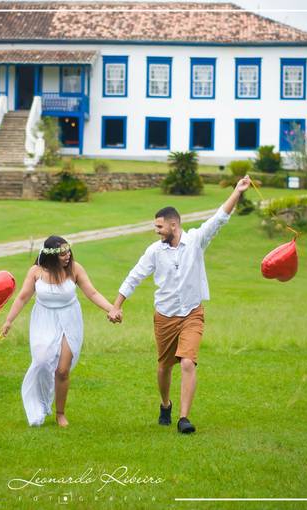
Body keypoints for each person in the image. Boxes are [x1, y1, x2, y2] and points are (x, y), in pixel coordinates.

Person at [108, 175, 252, 434]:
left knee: (187, 362)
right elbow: (134, 276)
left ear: (173, 225)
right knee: (164, 367)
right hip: (164, 316)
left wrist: (238, 191)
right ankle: (166, 404)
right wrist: (117, 305)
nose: (156, 230)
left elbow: (219, 217)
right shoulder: (155, 251)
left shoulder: (196, 240)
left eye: (159, 226)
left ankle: (184, 418)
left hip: (192, 313)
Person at [1, 236, 117, 427]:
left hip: (70, 320)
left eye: (68, 251)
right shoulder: (36, 272)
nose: (68, 256)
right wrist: (8, 321)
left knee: (62, 370)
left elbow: (92, 292)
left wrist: (111, 309)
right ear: (51, 256)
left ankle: (60, 414)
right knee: (41, 362)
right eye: (63, 254)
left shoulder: (75, 269)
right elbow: (22, 297)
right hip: (44, 320)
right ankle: (39, 403)